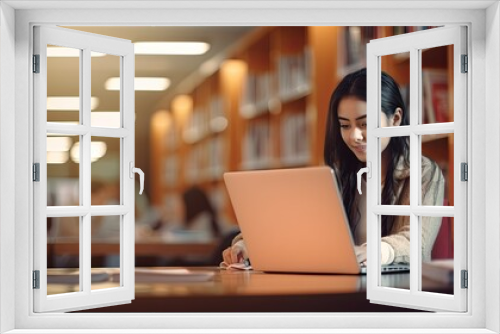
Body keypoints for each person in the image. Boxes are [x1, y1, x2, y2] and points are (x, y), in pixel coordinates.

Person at [222, 68, 444, 266]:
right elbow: (288, 223)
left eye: (365, 123)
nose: (354, 136)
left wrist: (374, 252)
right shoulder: (335, 175)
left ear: (395, 119)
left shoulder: (425, 173)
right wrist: (247, 245)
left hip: (399, 292)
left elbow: (417, 241)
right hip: (345, 289)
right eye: (345, 125)